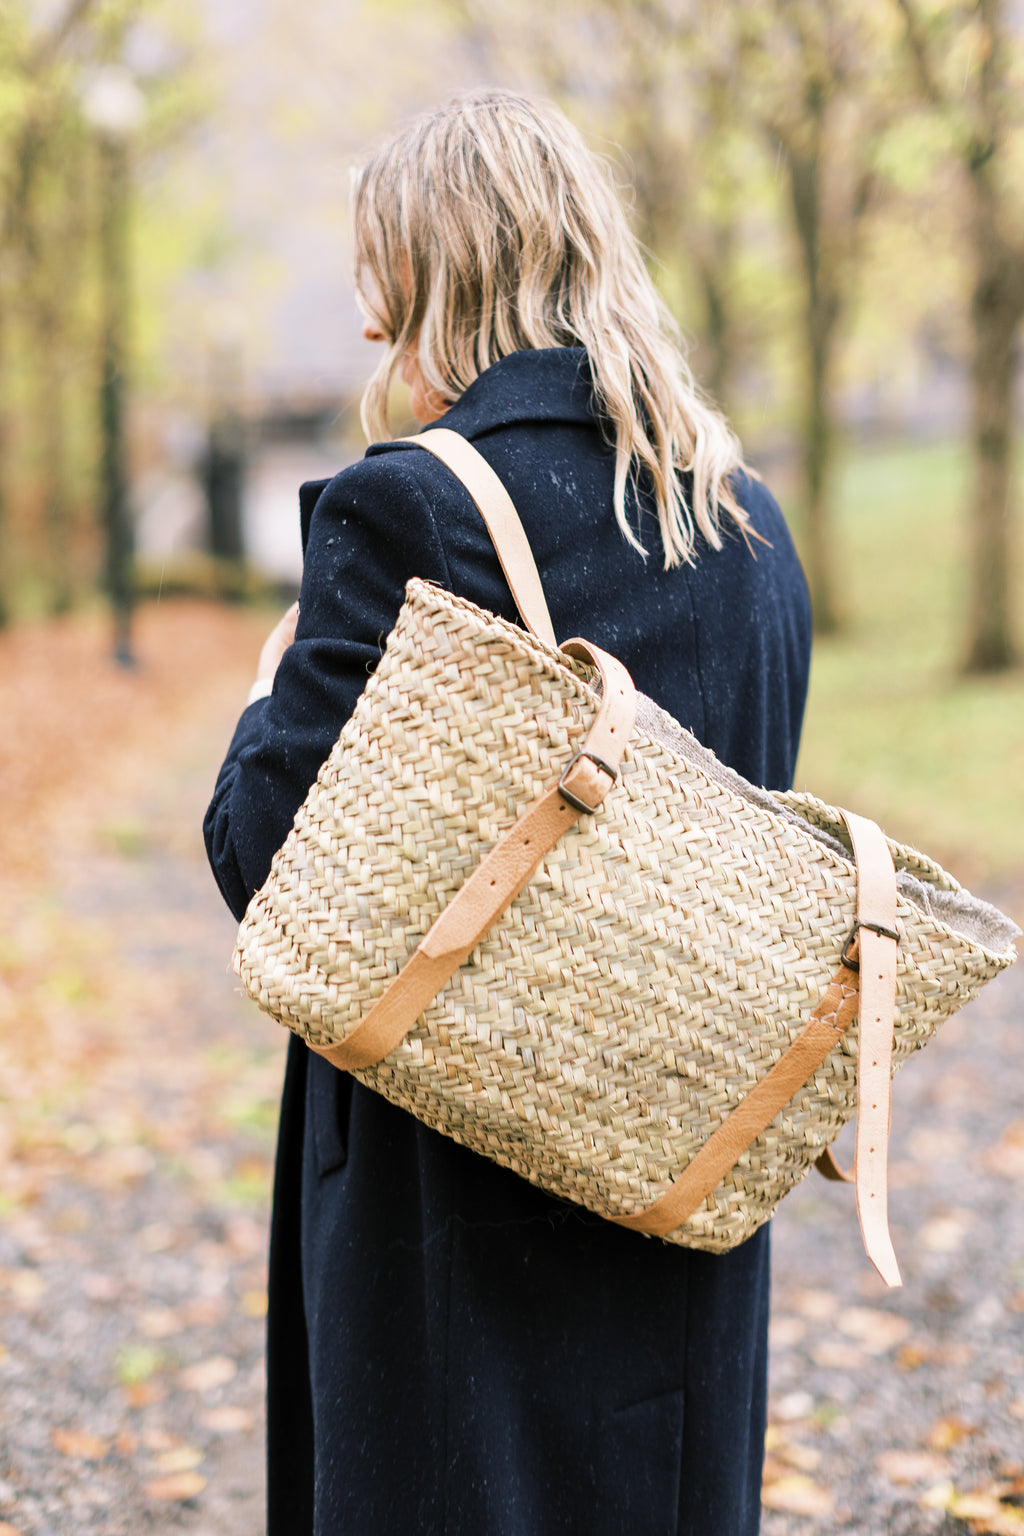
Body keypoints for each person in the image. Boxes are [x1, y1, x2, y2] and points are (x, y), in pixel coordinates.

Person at [205, 89, 812, 1536]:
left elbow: (264, 865)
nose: (368, 326)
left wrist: (266, 689)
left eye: (385, 275)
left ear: (435, 273)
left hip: (450, 1191)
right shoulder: (742, 522)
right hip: (681, 1159)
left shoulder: (407, 511)